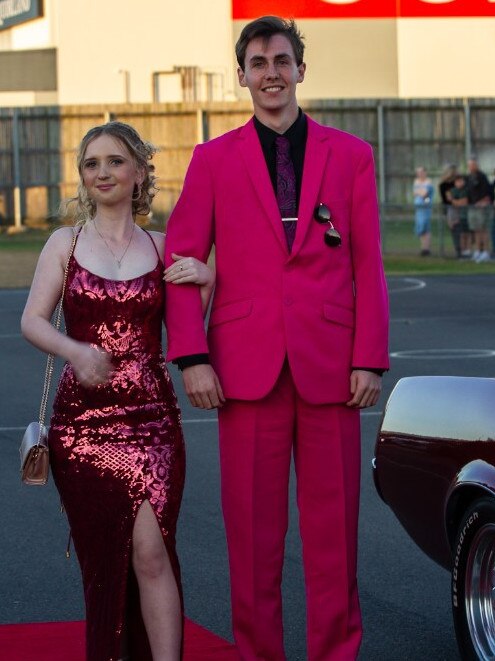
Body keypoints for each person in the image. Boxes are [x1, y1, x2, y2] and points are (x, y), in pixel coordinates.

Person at [164, 16, 389, 661]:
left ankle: (335, 652)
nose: (271, 73)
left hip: (331, 369)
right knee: (254, 539)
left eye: (282, 60)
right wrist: (193, 358)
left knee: (333, 540)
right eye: (258, 62)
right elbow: (182, 262)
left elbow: (367, 265)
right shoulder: (212, 160)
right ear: (242, 75)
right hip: (243, 369)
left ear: (300, 69)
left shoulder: (351, 155)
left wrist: (369, 358)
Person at [21, 121, 214, 660]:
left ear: (139, 171)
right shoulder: (65, 243)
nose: (102, 172)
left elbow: (187, 326)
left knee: (152, 553)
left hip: (153, 422)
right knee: (105, 558)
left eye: (114, 161)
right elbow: (32, 321)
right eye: (91, 164)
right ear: (83, 178)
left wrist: (207, 277)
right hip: (81, 430)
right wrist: (77, 351)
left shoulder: (162, 247)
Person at [466, 155, 492, 262]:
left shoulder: (482, 176)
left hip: (481, 207)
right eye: (469, 165)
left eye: (472, 165)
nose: (471, 167)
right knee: (476, 229)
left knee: (483, 229)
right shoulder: (469, 177)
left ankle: (485, 251)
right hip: (472, 207)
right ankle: (478, 250)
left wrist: (482, 202)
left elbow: (488, 192)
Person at [438, 164, 461, 257]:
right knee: (454, 229)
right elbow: (446, 198)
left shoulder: (458, 183)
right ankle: (458, 249)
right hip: (449, 208)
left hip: (458, 207)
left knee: (460, 229)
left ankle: (462, 249)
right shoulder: (443, 185)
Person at [447, 174, 471, 258]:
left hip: (465, 215)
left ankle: (467, 251)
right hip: (455, 216)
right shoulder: (453, 191)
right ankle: (460, 251)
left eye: (461, 181)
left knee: (466, 234)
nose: (459, 183)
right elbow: (450, 201)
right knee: (458, 235)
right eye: (457, 181)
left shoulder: (466, 190)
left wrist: (454, 201)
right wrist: (456, 202)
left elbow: (464, 202)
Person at [413, 166, 434, 256]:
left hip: (425, 208)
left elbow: (424, 194)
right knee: (420, 228)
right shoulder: (416, 181)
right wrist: (419, 192)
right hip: (418, 208)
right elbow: (415, 193)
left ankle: (427, 248)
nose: (420, 174)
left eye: (421, 172)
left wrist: (419, 191)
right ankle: (423, 247)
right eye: (418, 172)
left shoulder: (428, 181)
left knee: (426, 227)